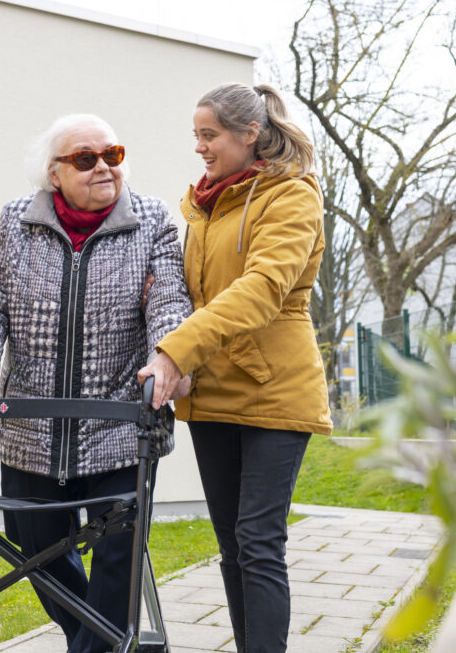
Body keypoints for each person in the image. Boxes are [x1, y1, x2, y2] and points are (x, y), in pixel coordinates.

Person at [0, 113, 192, 653]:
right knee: (35, 544)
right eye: (86, 159)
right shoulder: (17, 220)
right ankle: (92, 641)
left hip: (120, 423)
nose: (104, 167)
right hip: (31, 426)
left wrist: (168, 354)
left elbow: (170, 302)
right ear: (54, 173)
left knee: (118, 551)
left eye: (113, 154)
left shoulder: (152, 219)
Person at [138, 83, 332, 652]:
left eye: (210, 135)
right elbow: (191, 290)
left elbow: (262, 289)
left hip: (275, 388)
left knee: (259, 540)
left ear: (250, 134)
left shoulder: (291, 196)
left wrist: (176, 349)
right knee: (231, 543)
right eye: (196, 136)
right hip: (213, 391)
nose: (199, 147)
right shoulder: (205, 205)